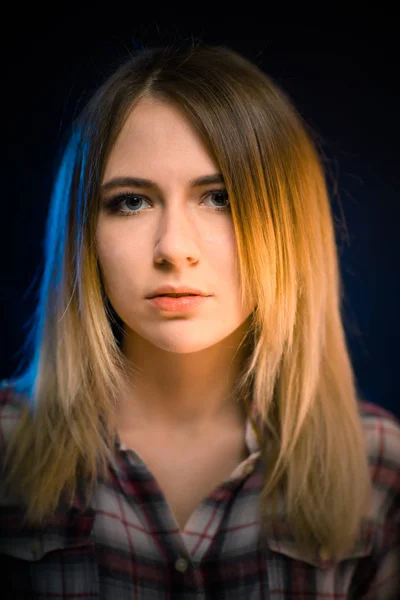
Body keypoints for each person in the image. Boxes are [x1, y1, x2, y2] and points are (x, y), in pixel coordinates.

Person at [0, 41, 399, 599]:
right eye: (131, 202)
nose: (173, 249)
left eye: (219, 197)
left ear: (287, 224)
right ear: (84, 234)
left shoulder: (381, 462)